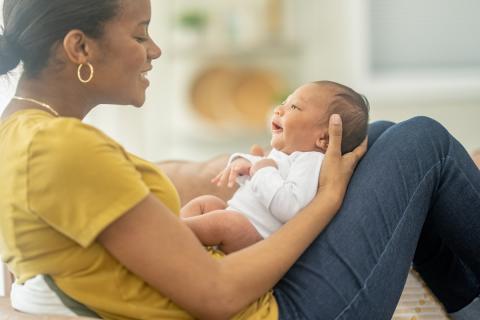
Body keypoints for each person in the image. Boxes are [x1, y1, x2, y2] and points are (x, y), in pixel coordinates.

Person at [0, 1, 478, 320]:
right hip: (278, 311)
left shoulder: (23, 136)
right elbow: (217, 294)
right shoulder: (58, 148)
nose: (155, 49)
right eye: (140, 33)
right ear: (80, 47)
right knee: (422, 139)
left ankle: (463, 292)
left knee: (373, 138)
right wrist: (325, 201)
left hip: (259, 297)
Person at [180, 81, 369, 253]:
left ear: (323, 138)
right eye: (284, 103)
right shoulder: (282, 155)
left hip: (258, 240)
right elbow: (258, 178)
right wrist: (243, 163)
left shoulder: (310, 161)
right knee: (207, 203)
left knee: (225, 222)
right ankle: (174, 229)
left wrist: (262, 170)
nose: (279, 109)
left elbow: (289, 207)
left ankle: (173, 237)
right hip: (238, 221)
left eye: (294, 107)